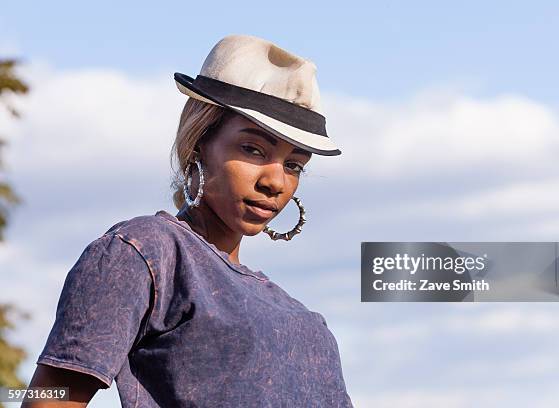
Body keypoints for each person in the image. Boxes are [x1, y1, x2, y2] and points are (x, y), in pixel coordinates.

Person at [23, 34, 354, 407]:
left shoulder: (310, 326)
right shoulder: (146, 252)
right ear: (197, 143)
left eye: (293, 165)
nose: (275, 182)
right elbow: (48, 397)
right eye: (253, 149)